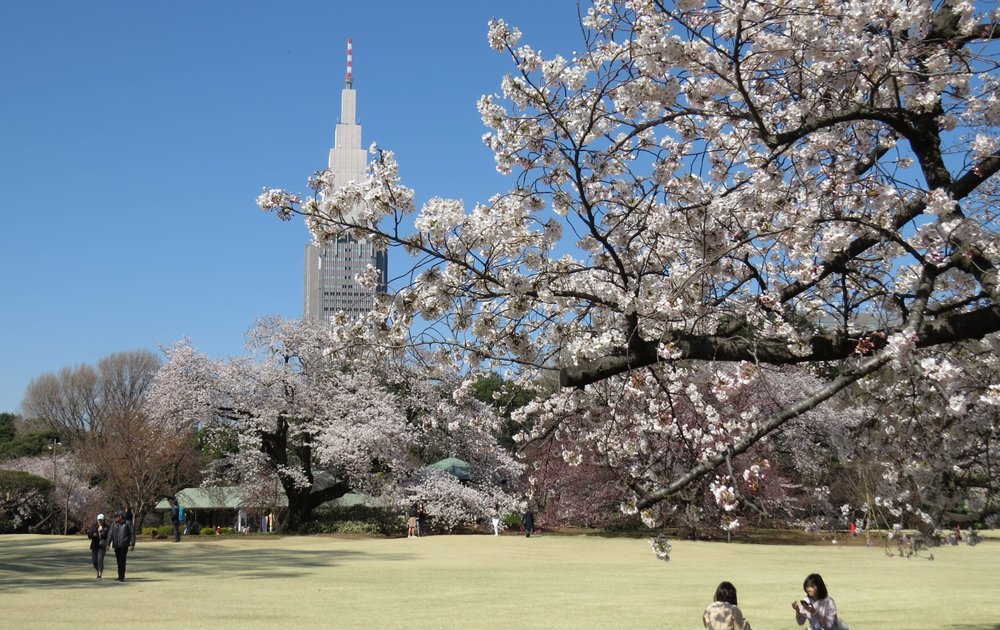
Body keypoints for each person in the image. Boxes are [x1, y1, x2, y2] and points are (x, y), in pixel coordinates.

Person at [109, 510, 136, 582]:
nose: (115, 518)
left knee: (122, 561)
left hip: (124, 545)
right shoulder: (114, 524)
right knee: (118, 561)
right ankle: (119, 576)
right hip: (116, 545)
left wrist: (132, 544)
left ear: (120, 517)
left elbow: (132, 534)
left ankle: (122, 577)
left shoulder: (127, 523)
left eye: (116, 517)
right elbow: (110, 534)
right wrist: (108, 543)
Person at [87, 513, 110, 579]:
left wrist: (102, 532)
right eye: (99, 520)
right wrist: (95, 534)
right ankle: (98, 570)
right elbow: (89, 534)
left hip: (102, 546)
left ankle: (99, 574)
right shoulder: (94, 526)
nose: (100, 522)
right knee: (94, 561)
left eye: (101, 520)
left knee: (100, 559)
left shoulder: (107, 527)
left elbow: (107, 535)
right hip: (95, 545)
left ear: (104, 520)